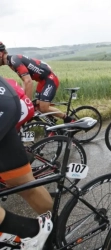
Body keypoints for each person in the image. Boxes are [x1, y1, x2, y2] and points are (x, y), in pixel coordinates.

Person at [0, 76, 53, 249]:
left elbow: (28, 81)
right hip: (9, 101)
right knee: (20, 183)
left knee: (26, 185)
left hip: (8, 104)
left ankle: (39, 231)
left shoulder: (15, 61)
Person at [0, 42, 73, 123]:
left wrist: (27, 104)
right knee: (37, 106)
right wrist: (21, 97)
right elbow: (25, 81)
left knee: (43, 108)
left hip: (50, 79)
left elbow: (29, 82)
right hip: (42, 81)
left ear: (0, 54)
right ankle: (52, 125)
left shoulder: (14, 60)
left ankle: (68, 119)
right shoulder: (11, 62)